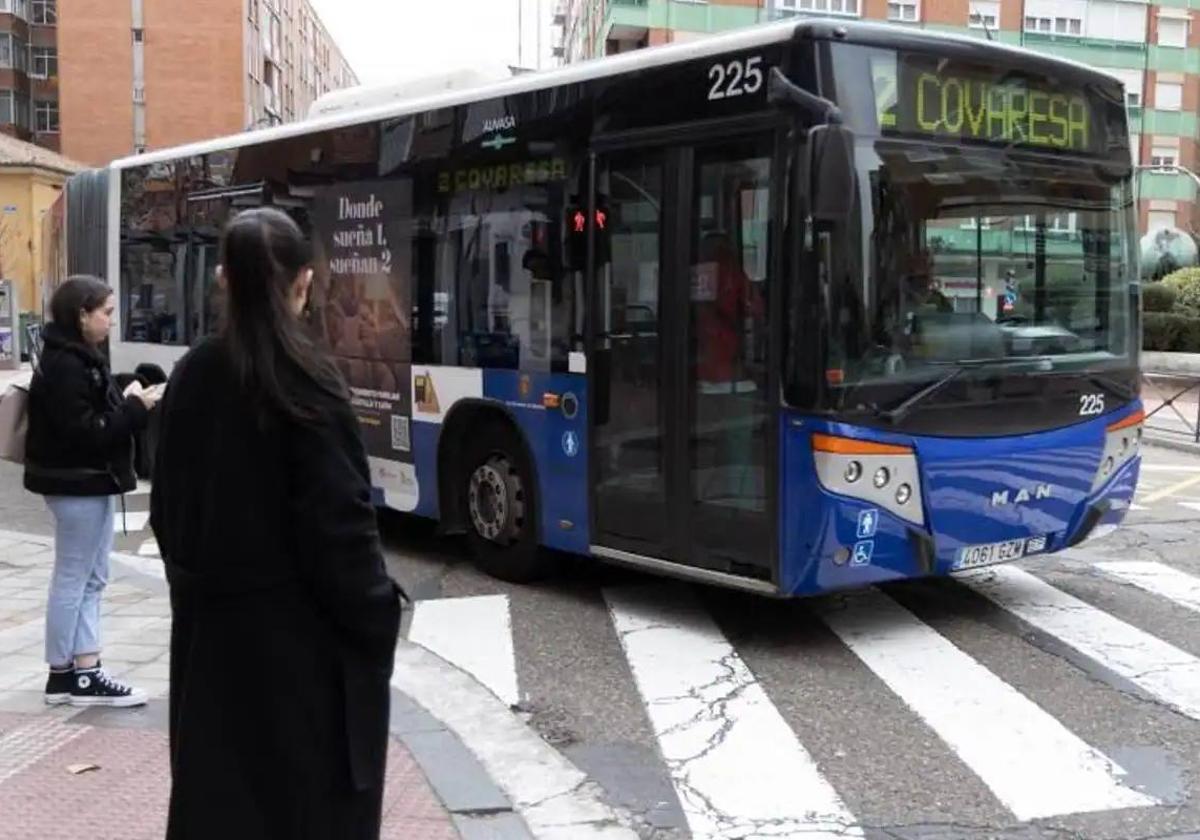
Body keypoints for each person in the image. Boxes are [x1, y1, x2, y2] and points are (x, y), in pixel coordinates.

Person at [150, 207, 405, 840]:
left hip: (213, 659)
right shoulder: (309, 385)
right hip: (305, 670)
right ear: (304, 283)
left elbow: (167, 512)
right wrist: (380, 619)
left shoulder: (192, 375)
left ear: (223, 282)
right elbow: (343, 538)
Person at [24, 275, 161, 707]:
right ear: (81, 315)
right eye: (106, 312)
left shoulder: (74, 356)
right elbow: (87, 433)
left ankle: (80, 669)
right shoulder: (68, 364)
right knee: (77, 576)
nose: (111, 322)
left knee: (90, 575)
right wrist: (136, 408)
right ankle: (73, 674)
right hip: (77, 482)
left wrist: (124, 393)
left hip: (84, 481)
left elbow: (89, 415)